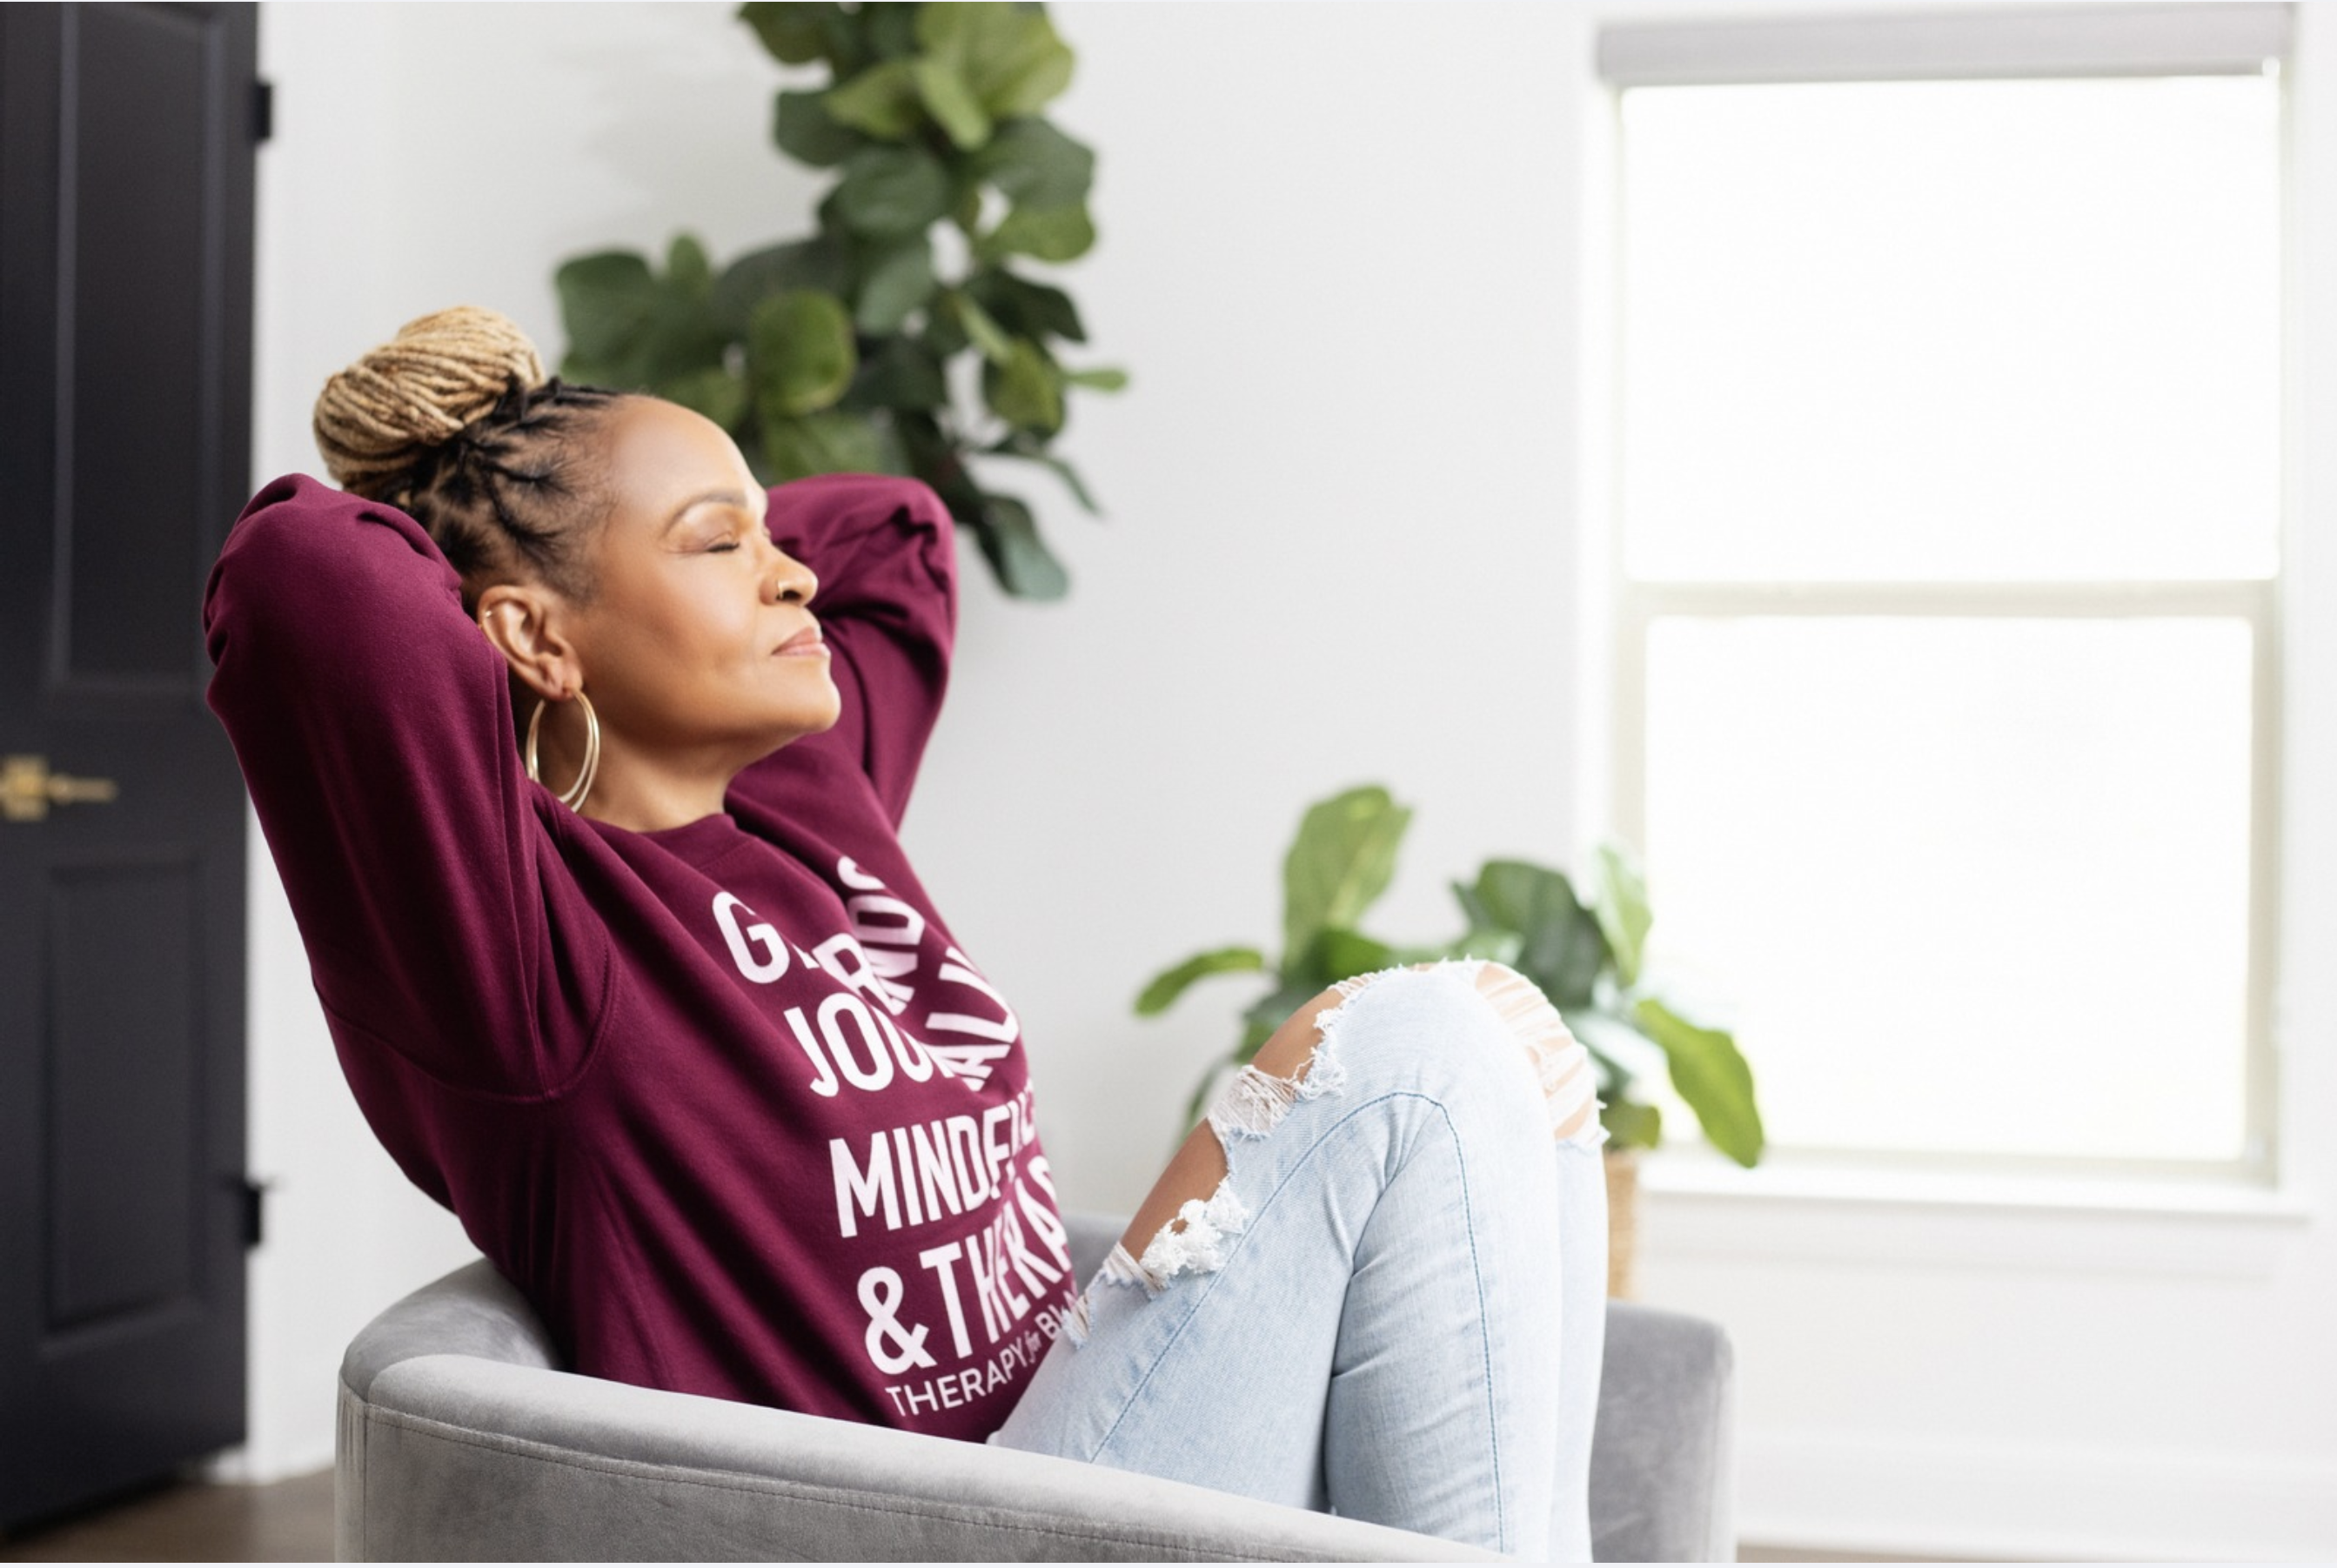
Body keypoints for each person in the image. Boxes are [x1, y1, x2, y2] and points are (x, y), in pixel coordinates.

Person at [204, 306, 1610, 1558]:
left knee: (1502, 1067)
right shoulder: (522, 955)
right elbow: (303, 581)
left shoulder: (813, 811)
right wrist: (484, 492)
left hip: (1090, 1462)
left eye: (766, 535)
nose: (790, 575)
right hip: (925, 1527)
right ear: (534, 638)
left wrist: (671, 511)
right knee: (1411, 1050)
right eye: (718, 545)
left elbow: (892, 530)